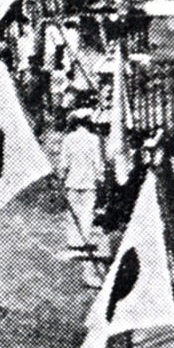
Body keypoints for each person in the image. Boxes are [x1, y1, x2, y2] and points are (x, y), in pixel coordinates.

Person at [58, 108, 105, 287]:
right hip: (89, 182)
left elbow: (64, 162)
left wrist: (62, 177)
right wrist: (100, 178)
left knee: (75, 213)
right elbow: (98, 162)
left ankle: (76, 242)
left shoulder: (68, 139)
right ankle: (84, 240)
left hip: (72, 181)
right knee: (87, 213)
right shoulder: (94, 139)